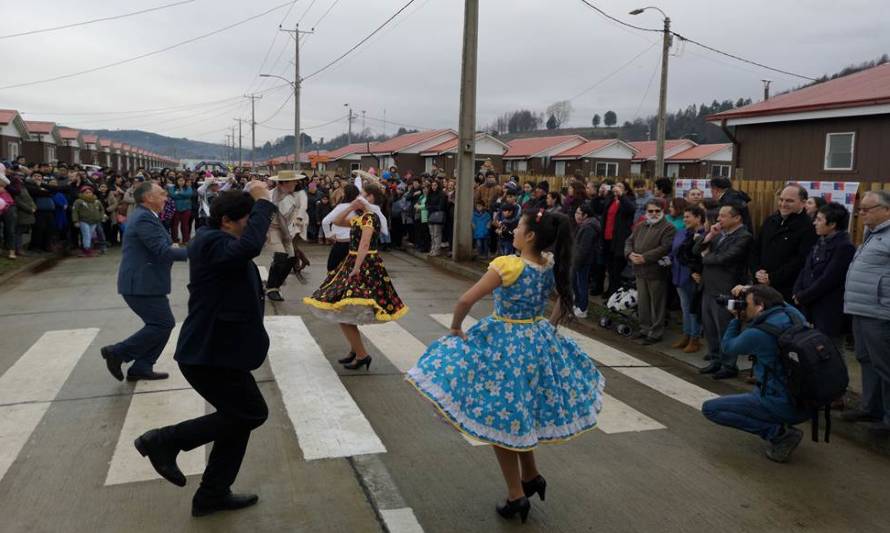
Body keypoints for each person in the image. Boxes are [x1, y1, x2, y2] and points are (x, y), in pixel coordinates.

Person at [406, 209, 604, 523]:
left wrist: (456, 328)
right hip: (536, 340)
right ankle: (531, 476)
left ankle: (516, 495)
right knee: (519, 413)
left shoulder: (507, 265)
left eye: (519, 227)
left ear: (530, 237)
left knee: (502, 421)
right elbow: (563, 300)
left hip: (504, 345)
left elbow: (464, 300)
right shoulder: (548, 263)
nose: (513, 230)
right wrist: (547, 327)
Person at [133, 183, 275, 517]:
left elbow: (247, 247)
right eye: (246, 220)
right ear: (228, 221)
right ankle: (165, 440)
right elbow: (250, 246)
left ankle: (212, 494)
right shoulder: (213, 242)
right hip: (209, 355)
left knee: (238, 420)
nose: (250, 227)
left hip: (222, 352)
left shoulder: (217, 239)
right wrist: (264, 204)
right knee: (252, 413)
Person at [701, 285, 812, 463]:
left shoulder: (759, 333)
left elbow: (727, 348)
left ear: (760, 307)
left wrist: (737, 318)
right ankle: (780, 421)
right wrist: (750, 289)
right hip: (807, 401)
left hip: (779, 402)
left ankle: (779, 434)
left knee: (711, 409)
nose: (744, 306)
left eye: (746, 303)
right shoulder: (793, 314)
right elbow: (777, 299)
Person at [304, 182, 408, 370]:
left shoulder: (370, 218)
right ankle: (356, 351)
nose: (358, 197)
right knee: (343, 311)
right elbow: (336, 222)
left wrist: (356, 268)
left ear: (371, 198)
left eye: (362, 194)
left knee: (344, 311)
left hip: (364, 265)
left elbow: (365, 244)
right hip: (353, 261)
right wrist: (351, 207)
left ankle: (361, 354)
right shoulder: (361, 217)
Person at [100, 182, 188, 382]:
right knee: (162, 324)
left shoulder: (147, 216)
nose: (166, 198)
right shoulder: (143, 219)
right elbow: (162, 251)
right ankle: (118, 352)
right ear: (148, 198)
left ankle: (142, 366)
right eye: (162, 194)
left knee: (161, 325)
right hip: (141, 284)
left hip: (148, 282)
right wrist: (196, 252)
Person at [841, 190, 890, 435]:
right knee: (865, 359)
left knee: (884, 365)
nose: (862, 214)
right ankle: (871, 407)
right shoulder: (872, 235)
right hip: (860, 308)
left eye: (867, 209)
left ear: (886, 210)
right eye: (861, 209)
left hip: (880, 312)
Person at [695, 204, 754, 379]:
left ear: (737, 218)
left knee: (725, 329)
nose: (719, 219)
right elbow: (695, 250)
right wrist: (710, 235)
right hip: (708, 287)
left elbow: (726, 258)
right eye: (719, 215)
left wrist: (706, 258)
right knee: (710, 328)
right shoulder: (718, 234)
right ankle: (715, 360)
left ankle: (729, 365)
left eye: (723, 216)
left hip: (726, 288)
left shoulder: (744, 236)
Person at [792, 202, 855, 346]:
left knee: (831, 350)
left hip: (828, 310)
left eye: (819, 220)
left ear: (832, 224)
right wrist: (797, 290)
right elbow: (806, 269)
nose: (815, 223)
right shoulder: (820, 242)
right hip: (810, 305)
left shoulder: (844, 247)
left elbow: (829, 279)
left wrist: (803, 296)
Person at [751, 184, 818, 301]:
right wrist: (757, 271)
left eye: (789, 201)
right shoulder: (770, 221)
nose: (783, 204)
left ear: (803, 203)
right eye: (781, 200)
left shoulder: (808, 227)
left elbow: (801, 260)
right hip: (760, 285)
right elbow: (755, 249)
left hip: (786, 290)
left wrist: (772, 278)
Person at [625, 199, 676, 344]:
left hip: (656, 271)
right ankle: (644, 329)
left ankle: (656, 333)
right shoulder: (641, 225)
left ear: (662, 211)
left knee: (657, 304)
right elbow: (629, 241)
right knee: (643, 302)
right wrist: (630, 254)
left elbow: (665, 247)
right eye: (650, 211)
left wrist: (644, 257)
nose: (654, 214)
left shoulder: (668, 227)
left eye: (657, 211)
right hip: (639, 270)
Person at [263, 171, 309, 302]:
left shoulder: (294, 195)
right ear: (285, 183)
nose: (296, 183)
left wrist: (295, 227)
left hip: (287, 229)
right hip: (273, 229)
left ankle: (275, 285)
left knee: (291, 259)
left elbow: (296, 212)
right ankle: (272, 288)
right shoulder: (271, 195)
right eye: (293, 181)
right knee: (281, 256)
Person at [671, 205, 706, 353]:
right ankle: (686, 334)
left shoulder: (704, 235)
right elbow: (674, 251)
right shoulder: (682, 232)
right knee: (685, 308)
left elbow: (701, 257)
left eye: (688, 217)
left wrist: (696, 272)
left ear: (698, 218)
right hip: (678, 275)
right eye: (684, 217)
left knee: (693, 309)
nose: (684, 219)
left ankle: (695, 338)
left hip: (692, 276)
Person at [602, 182, 636, 297]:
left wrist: (621, 196)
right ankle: (610, 290)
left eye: (621, 187)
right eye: (616, 186)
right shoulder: (611, 200)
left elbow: (631, 209)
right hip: (607, 237)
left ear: (626, 191)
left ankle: (614, 294)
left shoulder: (628, 201)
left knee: (617, 270)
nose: (617, 188)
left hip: (619, 240)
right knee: (610, 268)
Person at [572, 203, 601, 318]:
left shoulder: (589, 227)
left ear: (585, 215)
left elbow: (584, 248)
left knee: (581, 284)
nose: (576, 215)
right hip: (578, 259)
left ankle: (583, 308)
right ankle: (578, 304)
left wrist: (576, 263)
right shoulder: (584, 225)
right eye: (576, 212)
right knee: (575, 282)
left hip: (583, 261)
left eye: (579, 213)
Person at [71, 185, 106, 257]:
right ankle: (87, 250)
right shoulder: (78, 201)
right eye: (86, 192)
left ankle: (86, 249)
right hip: (84, 221)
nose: (88, 193)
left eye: (90, 192)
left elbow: (102, 209)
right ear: (82, 193)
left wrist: (101, 216)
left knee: (89, 235)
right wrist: (75, 221)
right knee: (86, 234)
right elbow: (74, 211)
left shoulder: (96, 201)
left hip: (94, 221)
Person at [168, 177, 194, 243]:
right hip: (176, 209)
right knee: (174, 226)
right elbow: (173, 195)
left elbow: (189, 195)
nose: (181, 182)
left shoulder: (188, 188)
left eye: (183, 180)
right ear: (176, 181)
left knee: (185, 225)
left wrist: (179, 193)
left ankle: (186, 240)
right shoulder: (172, 188)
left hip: (186, 209)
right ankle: (175, 240)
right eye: (179, 180)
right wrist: (183, 196)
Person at [426, 179, 448, 256]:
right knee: (431, 234)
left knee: (437, 234)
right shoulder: (430, 194)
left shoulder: (442, 194)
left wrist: (431, 207)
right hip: (430, 216)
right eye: (432, 185)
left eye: (435, 185)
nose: (433, 187)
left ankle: (437, 250)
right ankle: (432, 249)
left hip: (438, 216)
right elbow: (427, 204)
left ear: (438, 185)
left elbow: (441, 206)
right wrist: (431, 207)